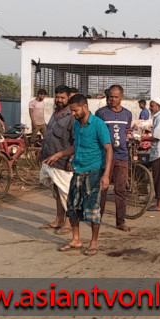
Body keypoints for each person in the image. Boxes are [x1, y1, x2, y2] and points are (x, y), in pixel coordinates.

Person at [45, 95, 113, 256]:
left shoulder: (98, 125)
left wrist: (106, 175)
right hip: (78, 170)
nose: (73, 114)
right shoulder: (76, 124)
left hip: (94, 171)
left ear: (85, 107)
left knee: (93, 210)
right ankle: (76, 239)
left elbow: (109, 149)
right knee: (73, 206)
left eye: (75, 110)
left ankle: (93, 242)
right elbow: (75, 146)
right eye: (71, 111)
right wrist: (59, 154)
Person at [95, 85, 132, 232]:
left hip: (122, 157)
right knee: (102, 189)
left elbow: (127, 131)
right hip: (105, 158)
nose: (112, 99)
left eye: (115, 97)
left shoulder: (127, 114)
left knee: (120, 190)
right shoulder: (101, 113)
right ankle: (97, 218)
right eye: (110, 96)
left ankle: (120, 222)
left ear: (121, 97)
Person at [38, 85, 74, 235]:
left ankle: (68, 222)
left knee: (66, 193)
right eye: (57, 97)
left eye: (62, 97)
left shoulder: (71, 116)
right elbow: (49, 134)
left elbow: (75, 140)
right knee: (57, 192)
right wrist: (42, 150)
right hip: (50, 159)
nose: (59, 100)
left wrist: (71, 158)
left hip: (63, 162)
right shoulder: (55, 114)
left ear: (68, 98)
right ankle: (59, 219)